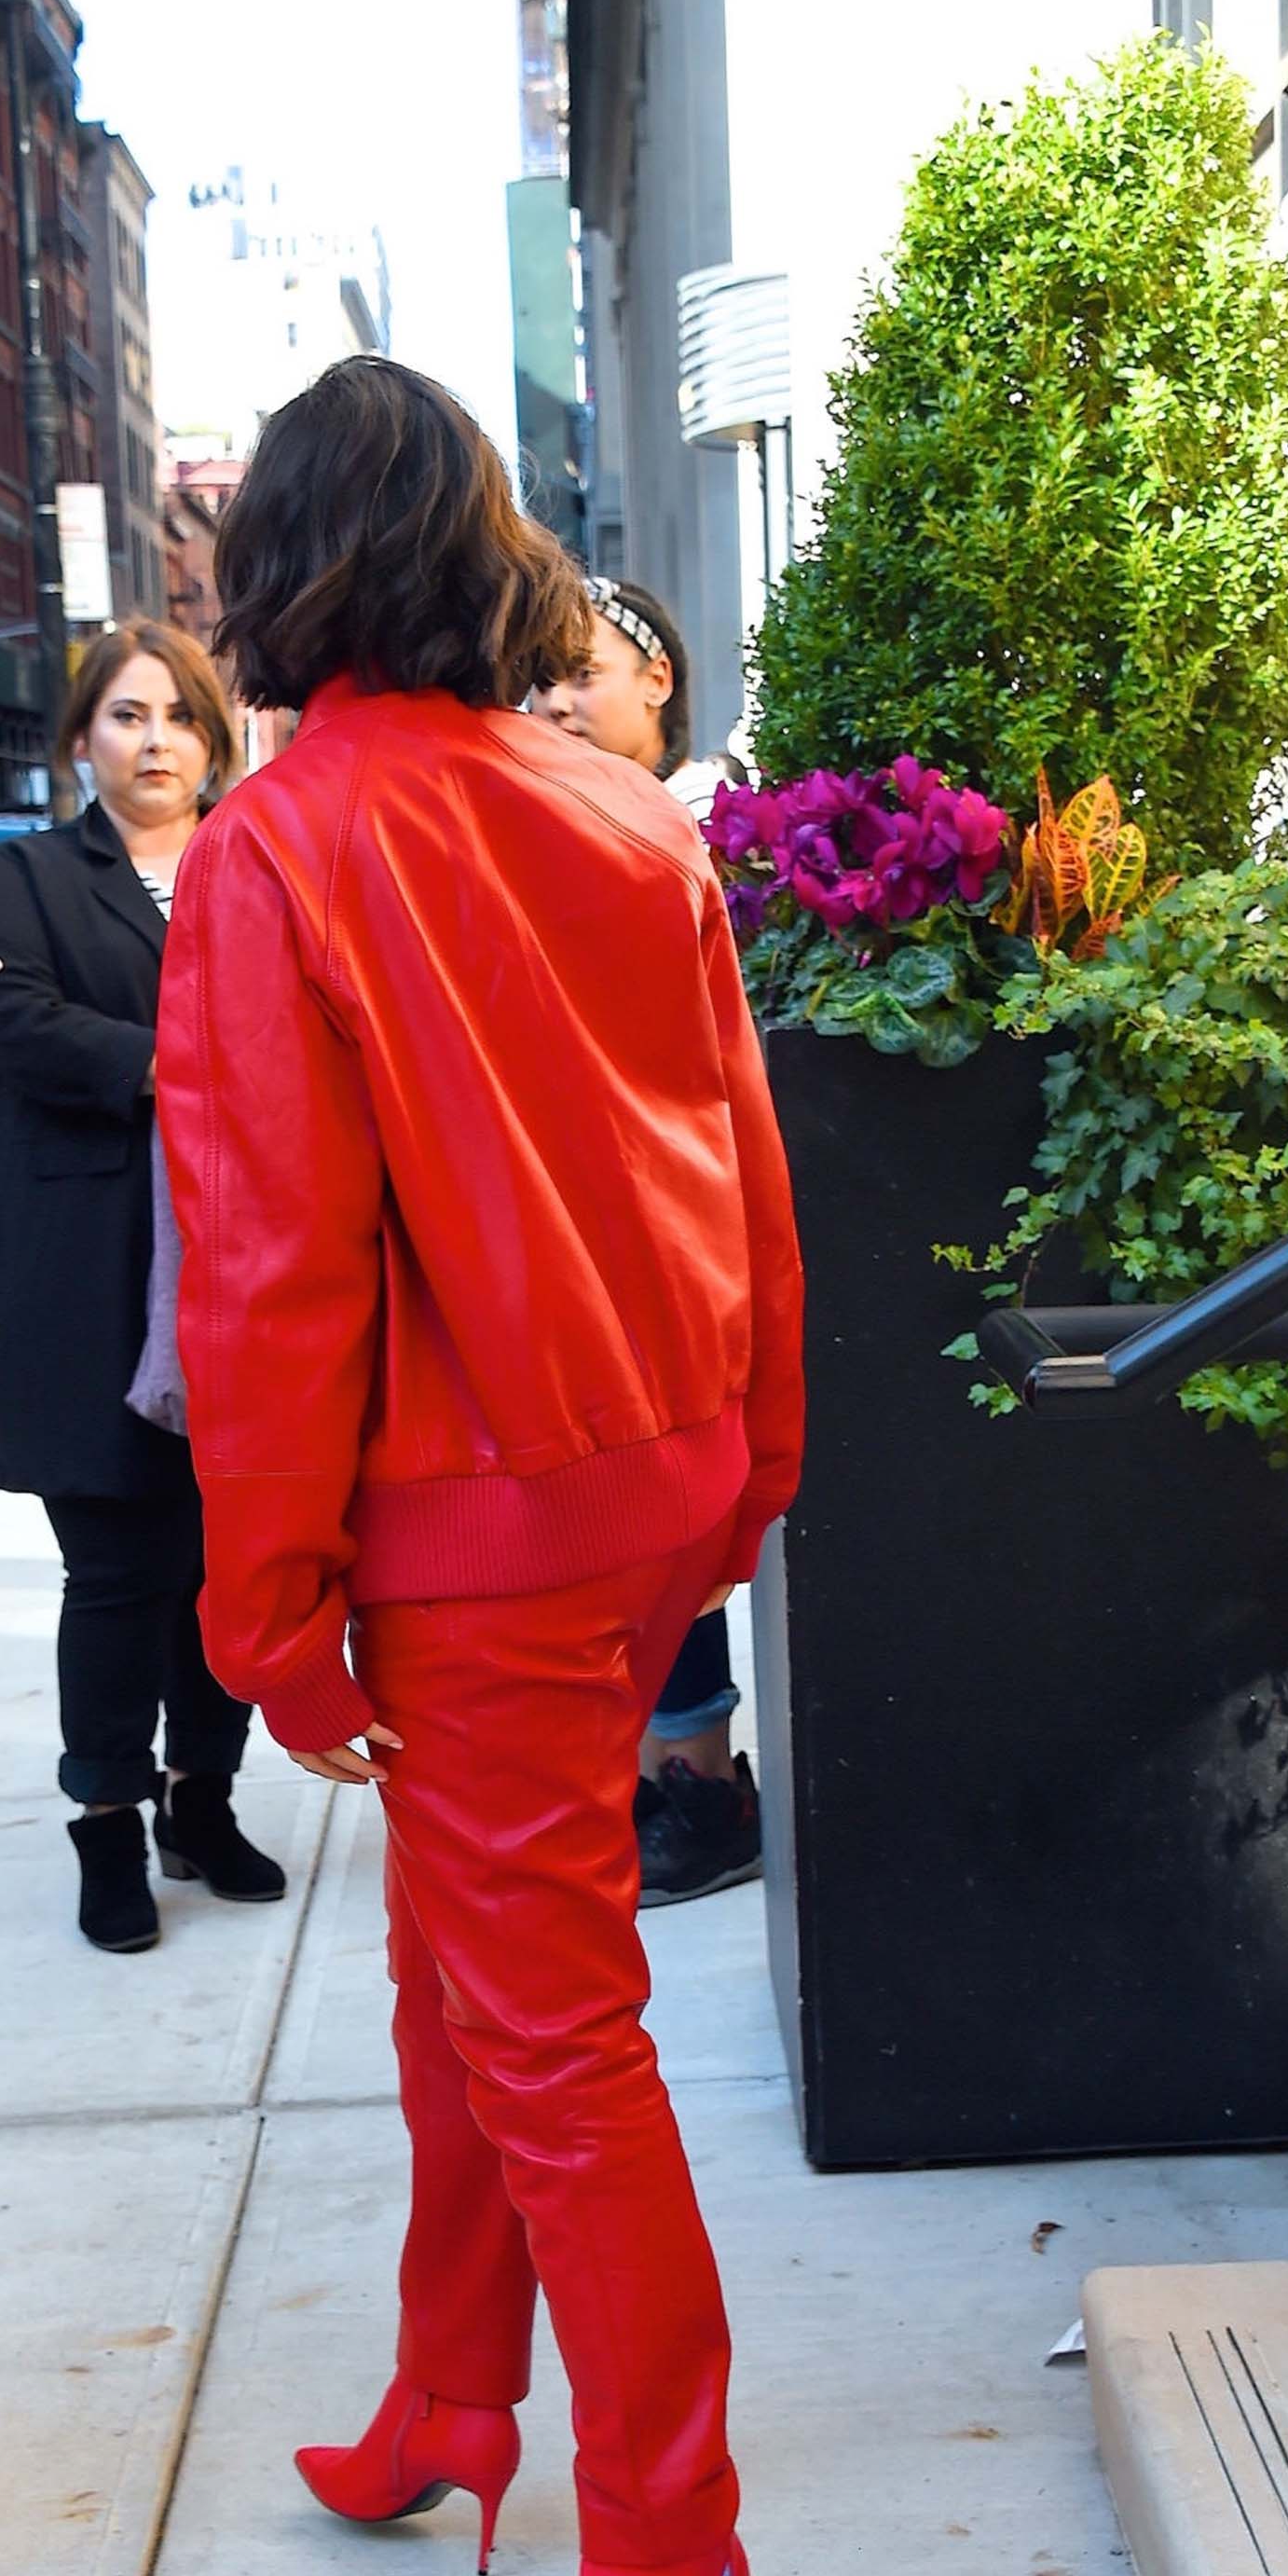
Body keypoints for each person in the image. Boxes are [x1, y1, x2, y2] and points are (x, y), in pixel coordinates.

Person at [156, 359, 804, 2576]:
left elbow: (268, 1272)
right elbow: (745, 1178)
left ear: (278, 567)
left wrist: (263, 1602)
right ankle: (453, 2395)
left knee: (541, 2025)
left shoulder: (277, 847)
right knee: (475, 1967)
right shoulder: (626, 817)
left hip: (471, 1535)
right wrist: (755, 1459)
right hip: (642, 1490)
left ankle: (662, 2534)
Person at [0, 624, 283, 1955]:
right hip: (85, 1269)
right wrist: (186, 1067)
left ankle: (200, 1804)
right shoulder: (23, 877)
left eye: (179, 719)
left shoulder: (257, 863)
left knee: (233, 1564)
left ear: (213, 739)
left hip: (251, 1258)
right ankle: (107, 1818)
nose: (155, 742)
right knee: (115, 1569)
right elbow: (8, 1017)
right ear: (80, 738)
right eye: (126, 716)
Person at [532, 575, 765, 1908]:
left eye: (580, 673)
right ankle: (648, 1774)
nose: (558, 700)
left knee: (677, 1512)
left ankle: (699, 1784)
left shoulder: (717, 826)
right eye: (540, 680)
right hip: (592, 1221)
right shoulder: (559, 820)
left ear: (655, 679)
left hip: (681, 1223)